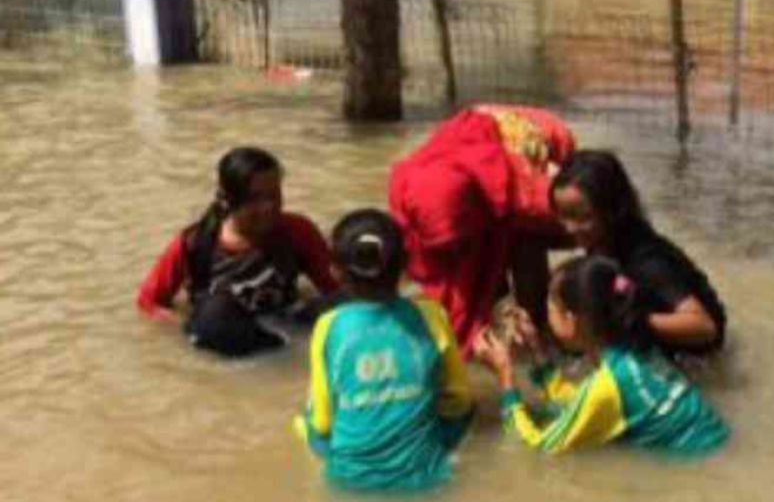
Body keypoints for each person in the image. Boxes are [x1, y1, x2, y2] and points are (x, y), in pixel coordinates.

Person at [475, 254, 729, 456]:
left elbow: (539, 448)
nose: (545, 314)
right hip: (718, 449)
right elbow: (580, 404)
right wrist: (538, 352)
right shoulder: (636, 349)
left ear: (571, 321)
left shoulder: (609, 386)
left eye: (550, 306)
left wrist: (506, 379)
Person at [295, 209, 474, 493]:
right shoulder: (431, 315)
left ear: (336, 271)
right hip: (423, 480)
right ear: (405, 264)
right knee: (465, 410)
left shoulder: (328, 326)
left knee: (305, 422)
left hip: (349, 482)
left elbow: (324, 422)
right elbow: (460, 400)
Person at [388, 104, 576, 356]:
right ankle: (500, 312)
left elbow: (587, 226)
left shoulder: (526, 193)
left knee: (526, 244)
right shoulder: (409, 195)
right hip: (473, 153)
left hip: (531, 139)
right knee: (473, 264)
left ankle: (535, 330)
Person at [136, 146, 338, 357]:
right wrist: (189, 329)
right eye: (255, 198)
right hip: (230, 335)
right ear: (228, 199)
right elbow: (148, 302)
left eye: (274, 195)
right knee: (214, 314)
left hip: (286, 324)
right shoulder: (196, 243)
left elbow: (334, 287)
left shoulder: (297, 231)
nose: (268, 207)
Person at [550, 150, 726, 357]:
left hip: (691, 352)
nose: (570, 228)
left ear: (612, 210)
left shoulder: (647, 261)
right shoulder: (599, 237)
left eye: (581, 217)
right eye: (562, 216)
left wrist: (627, 322)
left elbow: (705, 327)